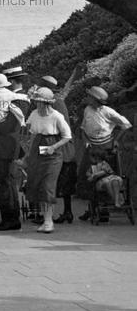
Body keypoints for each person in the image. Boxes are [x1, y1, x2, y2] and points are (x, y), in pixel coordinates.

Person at [77, 86, 132, 221]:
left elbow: (126, 124)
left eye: (90, 97)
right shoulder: (87, 110)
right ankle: (91, 207)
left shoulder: (108, 112)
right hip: (91, 147)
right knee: (87, 176)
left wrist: (116, 140)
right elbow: (83, 128)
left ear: (96, 100)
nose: (88, 99)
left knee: (104, 176)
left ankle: (104, 210)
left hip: (105, 148)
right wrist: (86, 142)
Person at [22, 88, 72, 233]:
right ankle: (45, 219)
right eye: (37, 102)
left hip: (52, 153)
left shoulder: (56, 116)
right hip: (38, 150)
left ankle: (49, 221)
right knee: (37, 185)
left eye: (41, 102)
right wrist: (28, 154)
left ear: (47, 103)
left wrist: (54, 146)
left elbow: (67, 136)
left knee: (47, 186)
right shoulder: (34, 114)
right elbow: (31, 135)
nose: (38, 105)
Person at [0, 66, 31, 231]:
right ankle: (10, 218)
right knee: (6, 183)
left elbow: (8, 126)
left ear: (13, 82)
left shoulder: (18, 100)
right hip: (11, 145)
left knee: (5, 183)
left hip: (8, 146)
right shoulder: (20, 99)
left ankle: (11, 219)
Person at [40, 75, 77, 224]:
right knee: (63, 182)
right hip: (64, 148)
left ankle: (51, 215)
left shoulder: (54, 103)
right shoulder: (58, 101)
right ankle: (66, 212)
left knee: (52, 180)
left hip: (59, 148)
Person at [0, 73, 30, 148]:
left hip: (8, 144)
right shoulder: (13, 95)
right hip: (5, 143)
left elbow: (8, 126)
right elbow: (22, 97)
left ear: (11, 82)